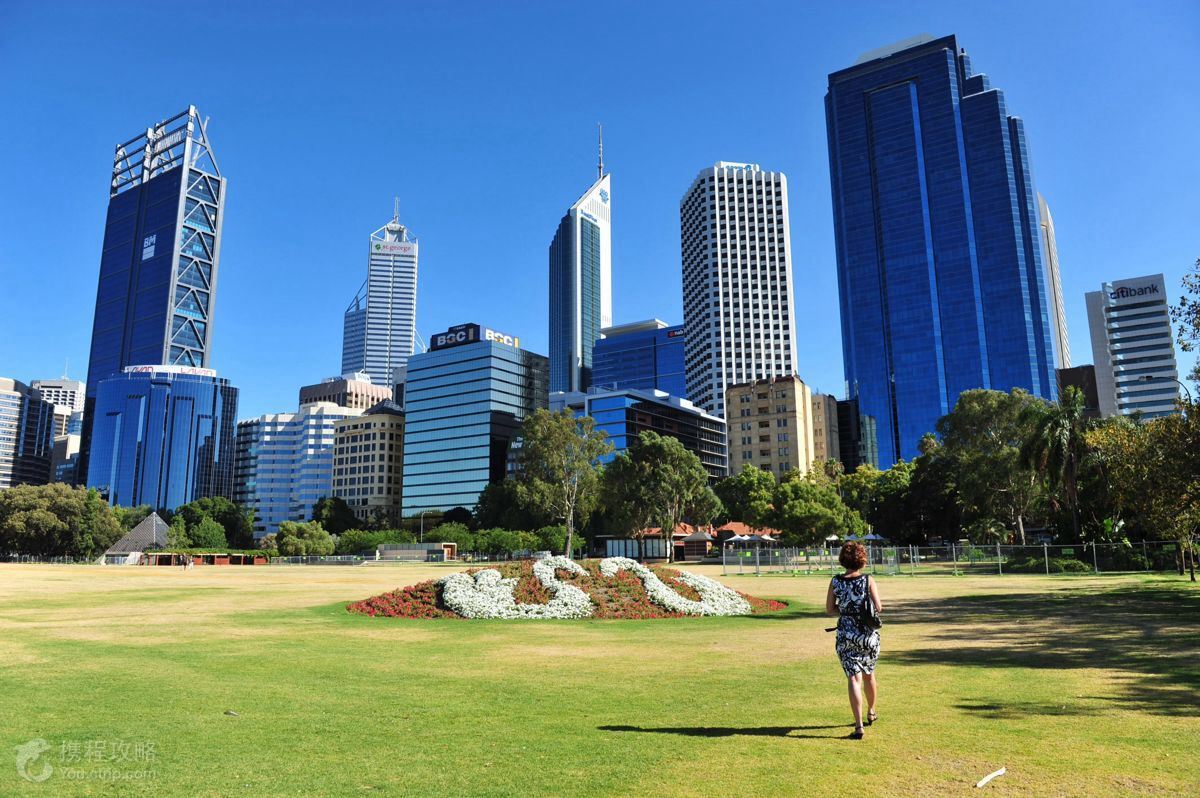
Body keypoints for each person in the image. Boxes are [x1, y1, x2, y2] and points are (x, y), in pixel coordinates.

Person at [825, 541, 882, 739]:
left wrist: (847, 610)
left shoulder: (836, 581)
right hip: (867, 635)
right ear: (862, 559)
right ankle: (871, 711)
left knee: (853, 678)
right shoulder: (868, 580)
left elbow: (830, 609)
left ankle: (859, 726)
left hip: (846, 634)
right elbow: (879, 607)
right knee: (869, 674)